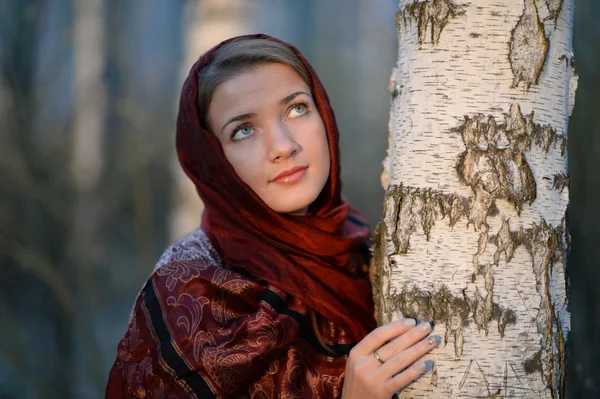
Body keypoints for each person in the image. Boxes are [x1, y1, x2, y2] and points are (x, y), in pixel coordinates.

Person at [105, 34, 439, 399]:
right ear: (212, 161)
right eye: (244, 130)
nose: (283, 146)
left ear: (323, 113)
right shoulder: (187, 293)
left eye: (296, 109)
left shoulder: (373, 247)